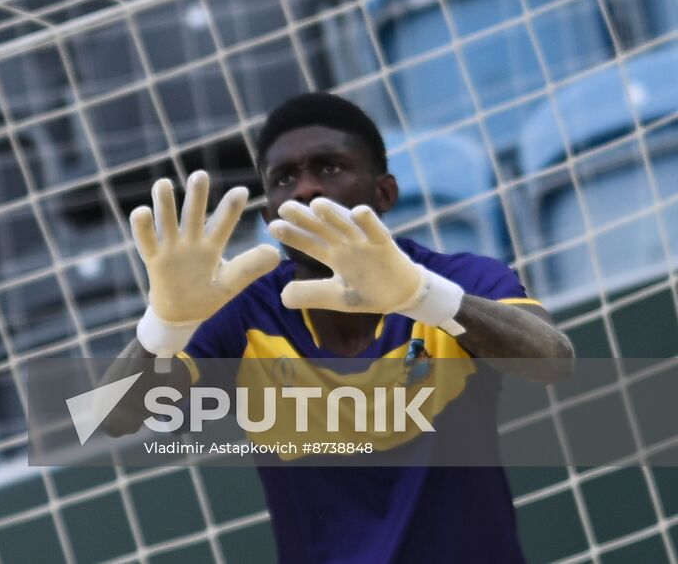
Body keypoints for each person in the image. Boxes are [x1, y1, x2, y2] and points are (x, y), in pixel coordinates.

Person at [100, 91, 574, 563]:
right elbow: (110, 417)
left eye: (329, 168)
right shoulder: (243, 314)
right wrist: (164, 326)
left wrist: (421, 298)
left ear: (384, 193)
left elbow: (552, 359)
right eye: (284, 179)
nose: (305, 189)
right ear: (269, 217)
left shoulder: (459, 281)